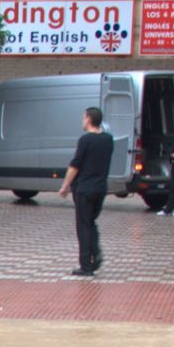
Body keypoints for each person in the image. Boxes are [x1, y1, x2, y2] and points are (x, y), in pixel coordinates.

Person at [58, 106, 113, 277]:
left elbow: (75, 165)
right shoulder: (108, 139)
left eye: (84, 118)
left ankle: (86, 265)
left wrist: (65, 185)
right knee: (91, 222)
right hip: (101, 188)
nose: (82, 121)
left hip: (84, 188)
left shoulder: (85, 140)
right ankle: (95, 254)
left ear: (88, 119)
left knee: (83, 225)